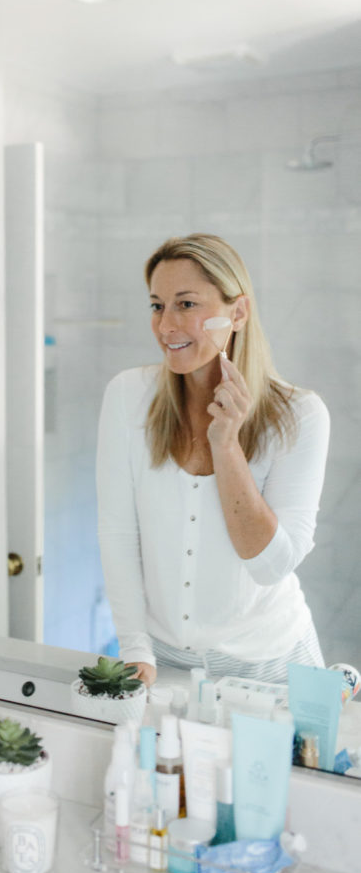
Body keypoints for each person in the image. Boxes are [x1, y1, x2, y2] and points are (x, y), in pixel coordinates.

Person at [96, 234, 330, 688]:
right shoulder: (128, 397)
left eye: (186, 304)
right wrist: (134, 645)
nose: (166, 326)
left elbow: (270, 566)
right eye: (157, 305)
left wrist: (226, 447)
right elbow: (118, 534)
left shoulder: (300, 416)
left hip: (270, 661)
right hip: (162, 658)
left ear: (237, 312)